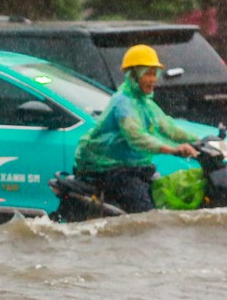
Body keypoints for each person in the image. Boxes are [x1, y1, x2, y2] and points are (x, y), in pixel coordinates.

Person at [73, 44, 200, 213]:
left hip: (135, 167)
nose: (153, 79)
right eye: (147, 73)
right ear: (133, 75)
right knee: (147, 216)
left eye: (155, 74)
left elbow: (168, 127)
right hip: (112, 170)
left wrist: (199, 141)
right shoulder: (123, 103)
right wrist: (174, 150)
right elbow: (136, 138)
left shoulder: (145, 103)